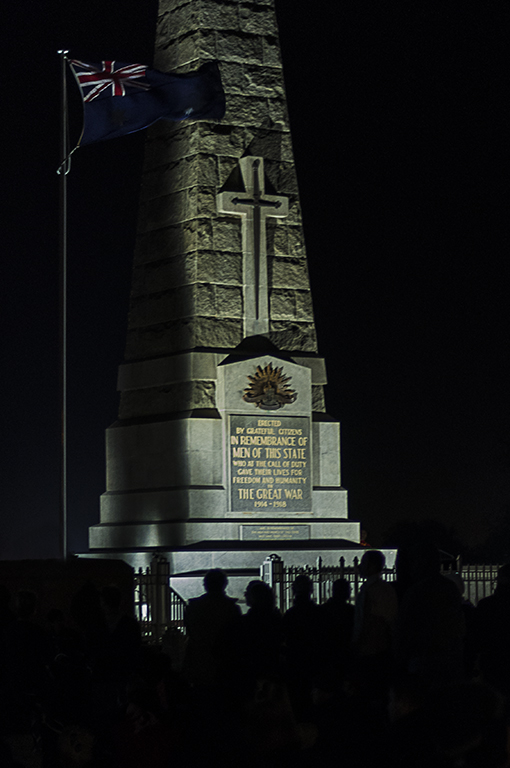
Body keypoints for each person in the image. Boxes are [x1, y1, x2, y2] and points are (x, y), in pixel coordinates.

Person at [352, 550, 398, 701]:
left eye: (364, 563)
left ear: (371, 566)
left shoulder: (372, 591)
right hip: (380, 650)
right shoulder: (385, 589)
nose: (360, 566)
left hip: (371, 650)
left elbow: (369, 622)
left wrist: (358, 644)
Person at [183, 569, 241, 689]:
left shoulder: (193, 607)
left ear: (205, 584)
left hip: (199, 661)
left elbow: (190, 631)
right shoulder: (231, 609)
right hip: (225, 663)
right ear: (224, 584)